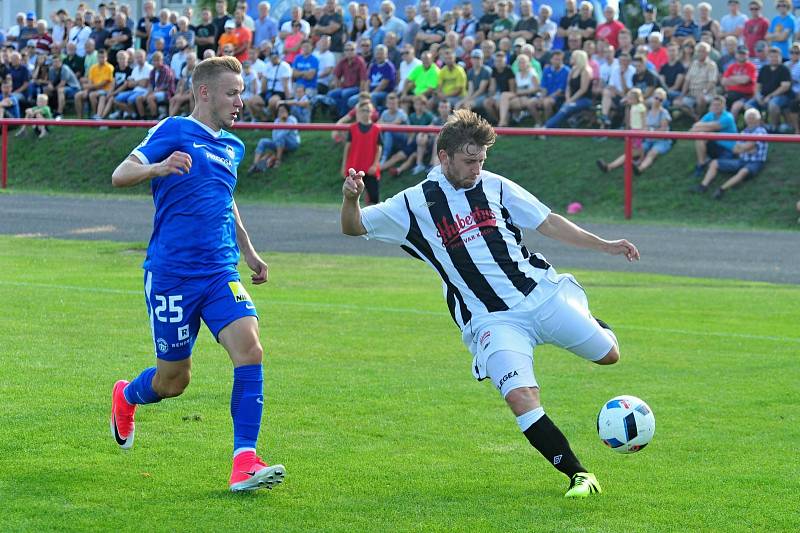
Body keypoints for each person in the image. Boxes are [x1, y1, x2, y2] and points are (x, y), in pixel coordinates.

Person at [340, 109, 640, 499]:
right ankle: (580, 475)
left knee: (609, 356)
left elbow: (546, 221)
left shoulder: (496, 186)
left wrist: (606, 244)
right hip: (491, 320)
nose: (477, 168)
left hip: (541, 294)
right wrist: (351, 199)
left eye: (481, 160)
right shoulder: (413, 204)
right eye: (469, 161)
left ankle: (583, 318)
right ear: (443, 156)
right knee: (520, 398)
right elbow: (353, 226)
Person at [109, 55, 285, 493]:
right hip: (171, 274)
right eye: (233, 92)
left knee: (251, 350)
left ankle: (244, 460)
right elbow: (120, 174)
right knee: (175, 380)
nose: (240, 101)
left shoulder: (232, 146)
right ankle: (127, 396)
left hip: (218, 271)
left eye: (242, 92)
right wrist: (158, 167)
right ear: (204, 92)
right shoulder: (172, 131)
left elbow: (226, 200)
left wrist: (248, 250)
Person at [693, 107, 768, 198]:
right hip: (742, 160)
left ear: (758, 119)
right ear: (746, 120)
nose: (750, 120)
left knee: (743, 171)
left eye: (753, 118)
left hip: (755, 162)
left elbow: (745, 147)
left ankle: (721, 189)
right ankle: (703, 186)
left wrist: (745, 147)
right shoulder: (744, 132)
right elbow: (736, 149)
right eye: (749, 118)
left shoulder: (761, 131)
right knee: (714, 163)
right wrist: (747, 148)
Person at [596, 88, 648, 173]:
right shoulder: (632, 106)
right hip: (633, 130)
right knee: (633, 148)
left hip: (638, 130)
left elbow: (643, 119)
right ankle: (633, 161)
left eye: (630, 98)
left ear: (635, 99)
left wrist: (644, 128)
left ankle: (637, 161)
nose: (628, 100)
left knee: (635, 148)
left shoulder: (640, 107)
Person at [341, 100, 382, 205]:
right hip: (354, 167)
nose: (365, 112)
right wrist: (344, 165)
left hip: (370, 168)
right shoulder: (353, 128)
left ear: (372, 112)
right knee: (351, 195)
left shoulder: (376, 129)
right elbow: (347, 148)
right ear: (358, 112)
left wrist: (375, 165)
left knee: (374, 197)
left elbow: (379, 148)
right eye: (363, 110)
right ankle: (352, 218)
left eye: (368, 110)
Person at [689, 95, 738, 177]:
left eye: (718, 105)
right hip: (716, 145)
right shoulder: (710, 115)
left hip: (727, 149)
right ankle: (701, 164)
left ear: (724, 106)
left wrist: (703, 127)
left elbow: (714, 126)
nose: (716, 107)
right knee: (700, 136)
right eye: (714, 105)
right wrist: (705, 127)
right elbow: (693, 128)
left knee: (701, 135)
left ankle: (706, 163)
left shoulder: (728, 117)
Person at [250, 103, 300, 171]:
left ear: (288, 111)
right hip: (279, 143)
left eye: (283, 110)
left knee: (280, 138)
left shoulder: (292, 119)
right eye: (279, 111)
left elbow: (284, 133)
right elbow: (274, 136)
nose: (281, 112)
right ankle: (255, 164)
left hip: (293, 144)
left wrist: (283, 121)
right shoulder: (277, 120)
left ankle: (278, 160)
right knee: (263, 141)